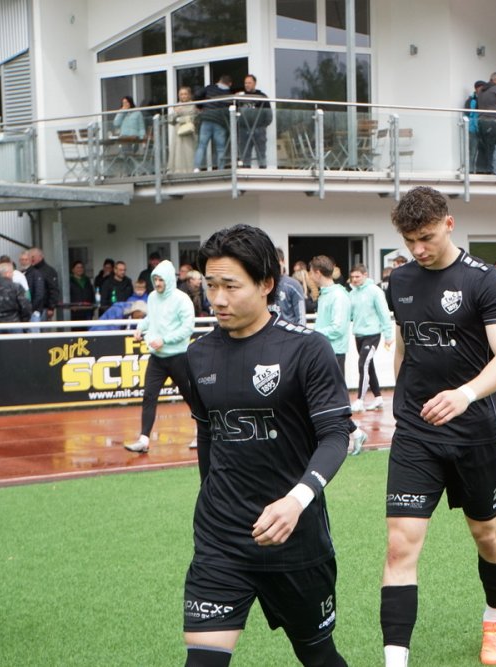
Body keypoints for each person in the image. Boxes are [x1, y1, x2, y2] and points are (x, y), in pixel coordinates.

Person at [181, 224, 353, 667]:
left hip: (295, 538)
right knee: (202, 662)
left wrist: (296, 501)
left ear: (266, 284)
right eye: (210, 286)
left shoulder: (307, 349)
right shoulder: (198, 355)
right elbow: (208, 434)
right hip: (220, 539)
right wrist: (210, 497)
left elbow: (336, 435)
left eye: (230, 286)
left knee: (318, 656)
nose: (217, 299)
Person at [381, 187, 496, 667]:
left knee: (487, 535)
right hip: (416, 434)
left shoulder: (484, 281)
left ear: (448, 223)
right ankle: (395, 660)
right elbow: (405, 345)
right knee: (399, 545)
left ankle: (495, 617)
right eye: (408, 241)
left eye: (425, 238)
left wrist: (465, 394)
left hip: (475, 433)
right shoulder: (399, 280)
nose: (417, 249)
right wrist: (399, 399)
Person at [124, 261, 196, 454]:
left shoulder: (182, 299)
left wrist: (165, 340)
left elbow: (188, 327)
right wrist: (140, 328)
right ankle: (144, 439)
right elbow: (151, 318)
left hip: (178, 357)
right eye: (155, 279)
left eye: (161, 279)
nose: (157, 283)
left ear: (169, 279)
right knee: (149, 396)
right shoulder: (152, 297)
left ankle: (203, 431)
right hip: (157, 357)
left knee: (190, 396)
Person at [309, 255, 368, 455]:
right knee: (326, 399)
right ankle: (356, 433)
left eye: (311, 272)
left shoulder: (338, 296)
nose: (309, 276)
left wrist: (312, 334)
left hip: (334, 353)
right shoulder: (327, 294)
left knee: (332, 400)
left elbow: (338, 328)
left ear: (317, 272)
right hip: (324, 352)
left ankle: (355, 433)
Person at [348, 264, 393, 412]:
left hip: (373, 334)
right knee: (368, 366)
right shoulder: (352, 293)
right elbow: (350, 314)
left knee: (363, 365)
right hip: (358, 335)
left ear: (365, 275)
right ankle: (378, 398)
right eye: (352, 277)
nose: (354, 279)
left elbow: (384, 313)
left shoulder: (375, 291)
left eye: (357, 276)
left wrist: (388, 335)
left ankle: (360, 400)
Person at [194, 73, 234, 171]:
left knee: (202, 145)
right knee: (220, 148)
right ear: (230, 84)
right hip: (220, 122)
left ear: (219, 81)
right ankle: (221, 169)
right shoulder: (228, 93)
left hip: (207, 118)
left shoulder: (210, 87)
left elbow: (197, 94)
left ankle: (196, 168)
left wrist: (200, 107)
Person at [0, 261, 32, 332]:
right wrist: (24, 321)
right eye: (12, 272)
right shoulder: (17, 287)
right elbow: (25, 306)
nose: (13, 275)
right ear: (7, 273)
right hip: (14, 323)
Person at [236, 74, 273, 168]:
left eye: (249, 83)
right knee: (245, 155)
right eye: (245, 83)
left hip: (258, 129)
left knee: (261, 154)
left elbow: (269, 115)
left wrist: (262, 126)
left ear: (255, 84)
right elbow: (234, 112)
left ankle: (263, 174)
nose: (247, 85)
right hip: (244, 130)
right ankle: (246, 175)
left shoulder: (262, 96)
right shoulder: (240, 97)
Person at [168, 86, 198, 174]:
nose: (183, 96)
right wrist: (176, 113)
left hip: (188, 132)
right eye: (181, 94)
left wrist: (179, 119)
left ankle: (190, 170)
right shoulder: (177, 106)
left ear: (189, 95)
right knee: (178, 152)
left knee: (189, 151)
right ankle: (177, 170)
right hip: (178, 132)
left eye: (185, 94)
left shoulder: (193, 105)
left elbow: (192, 118)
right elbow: (170, 120)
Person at [274, 247, 306, 326]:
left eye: (277, 262)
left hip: (289, 331)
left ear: (283, 262)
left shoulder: (293, 285)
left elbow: (301, 318)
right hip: (270, 331)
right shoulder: (263, 286)